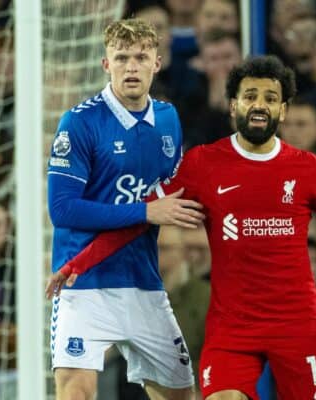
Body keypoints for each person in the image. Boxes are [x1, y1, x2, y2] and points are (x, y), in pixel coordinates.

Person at [48, 56, 316, 400]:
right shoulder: (202, 164)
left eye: (271, 98)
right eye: (250, 95)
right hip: (232, 327)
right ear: (233, 105)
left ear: (282, 110)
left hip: (297, 324)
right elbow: (143, 217)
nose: (260, 104)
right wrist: (79, 263)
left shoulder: (306, 168)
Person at [45, 18, 204, 400]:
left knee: (182, 393)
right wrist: (146, 212)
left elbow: (171, 195)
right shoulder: (80, 123)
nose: (131, 67)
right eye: (121, 58)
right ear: (106, 65)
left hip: (144, 282)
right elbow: (63, 210)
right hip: (84, 287)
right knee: (76, 394)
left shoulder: (168, 120)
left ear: (156, 63)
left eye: (140, 57)